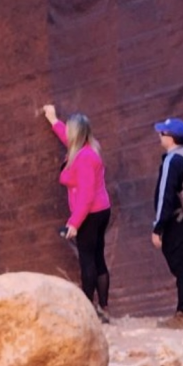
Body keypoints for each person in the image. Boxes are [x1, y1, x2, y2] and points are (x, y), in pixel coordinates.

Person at [43, 104, 112, 323]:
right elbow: (66, 137)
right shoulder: (87, 148)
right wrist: (53, 120)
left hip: (90, 214)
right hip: (101, 211)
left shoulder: (84, 159)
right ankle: (103, 307)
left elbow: (86, 196)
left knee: (88, 260)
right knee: (98, 257)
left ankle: (89, 310)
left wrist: (74, 223)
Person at [151, 117, 183, 330]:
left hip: (178, 219)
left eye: (162, 133)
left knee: (181, 264)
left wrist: (158, 227)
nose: (159, 136)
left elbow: (165, 195)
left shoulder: (172, 160)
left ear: (169, 138)